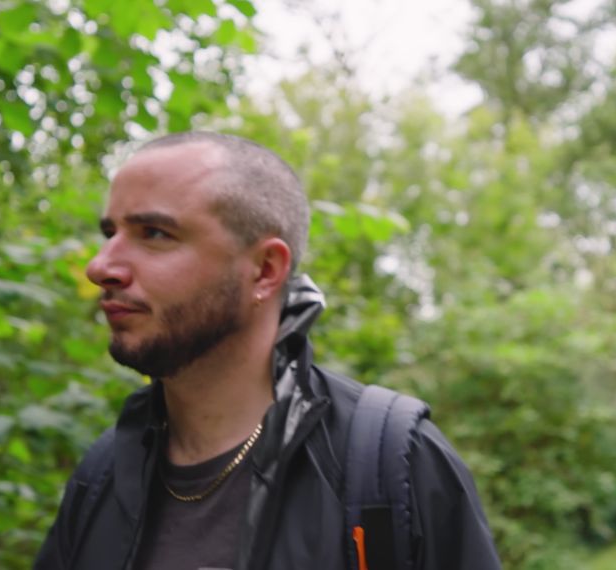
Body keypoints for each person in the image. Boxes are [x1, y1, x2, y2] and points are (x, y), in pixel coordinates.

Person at [34, 132, 501, 570]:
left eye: (154, 234)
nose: (101, 266)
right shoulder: (105, 474)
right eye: (109, 233)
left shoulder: (391, 461)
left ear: (264, 270)